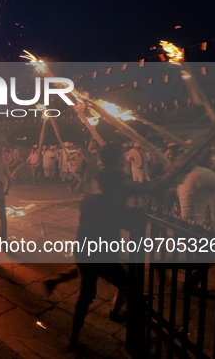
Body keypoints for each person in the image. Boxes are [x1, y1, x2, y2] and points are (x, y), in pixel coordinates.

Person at [67, 142, 145, 352]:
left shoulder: (91, 199)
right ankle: (136, 338)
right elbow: (133, 223)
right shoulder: (113, 205)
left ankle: (73, 340)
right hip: (101, 255)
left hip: (84, 251)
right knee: (131, 286)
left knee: (86, 294)